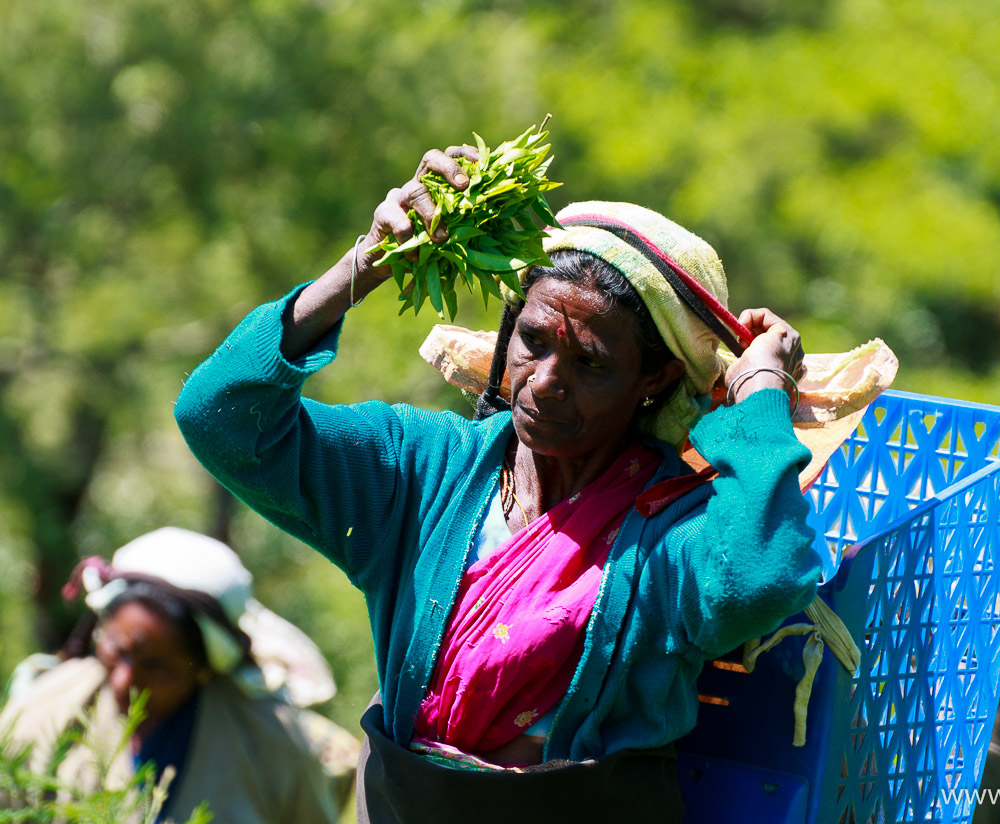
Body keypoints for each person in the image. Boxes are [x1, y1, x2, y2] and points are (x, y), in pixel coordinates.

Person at [173, 145, 824, 822]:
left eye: (590, 363)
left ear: (653, 381)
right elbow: (219, 420)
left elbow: (760, 580)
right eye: (534, 341)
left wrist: (759, 396)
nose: (544, 381)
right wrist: (361, 268)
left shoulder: (667, 525)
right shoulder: (424, 469)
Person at [0, 527, 354, 823]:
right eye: (116, 651)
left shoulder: (273, 744)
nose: (124, 681)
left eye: (156, 666)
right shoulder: (43, 712)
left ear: (203, 666)